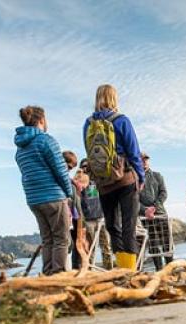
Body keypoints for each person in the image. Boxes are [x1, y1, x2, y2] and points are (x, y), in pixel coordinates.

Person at [83, 84, 145, 271]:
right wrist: (140, 176)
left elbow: (89, 151)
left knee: (112, 227)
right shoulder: (121, 120)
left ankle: (121, 270)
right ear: (114, 98)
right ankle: (130, 271)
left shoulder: (88, 123)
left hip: (103, 183)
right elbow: (134, 151)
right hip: (125, 179)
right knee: (129, 227)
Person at [14, 105, 73, 275]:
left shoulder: (20, 149)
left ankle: (47, 275)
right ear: (41, 120)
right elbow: (60, 170)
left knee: (48, 240)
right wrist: (68, 193)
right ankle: (59, 277)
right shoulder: (46, 140)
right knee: (62, 240)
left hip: (34, 200)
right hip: (53, 196)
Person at [139, 152, 173, 270]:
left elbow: (164, 193)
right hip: (145, 217)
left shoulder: (158, 176)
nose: (144, 161)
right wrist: (145, 210)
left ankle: (170, 269)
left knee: (167, 242)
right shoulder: (135, 180)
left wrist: (154, 207)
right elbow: (134, 199)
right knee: (153, 244)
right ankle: (159, 269)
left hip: (160, 214)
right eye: (141, 159)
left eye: (146, 159)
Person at [77, 158, 114, 269]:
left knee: (106, 246)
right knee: (90, 248)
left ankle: (109, 269)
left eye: (87, 165)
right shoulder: (79, 183)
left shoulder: (99, 179)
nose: (85, 168)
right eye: (83, 166)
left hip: (101, 218)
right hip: (88, 220)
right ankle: (89, 270)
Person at [62, 150, 85, 270]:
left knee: (75, 244)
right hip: (66, 214)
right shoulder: (63, 179)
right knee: (67, 244)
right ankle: (65, 271)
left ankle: (75, 268)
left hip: (75, 215)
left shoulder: (70, 181)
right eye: (70, 167)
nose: (70, 170)